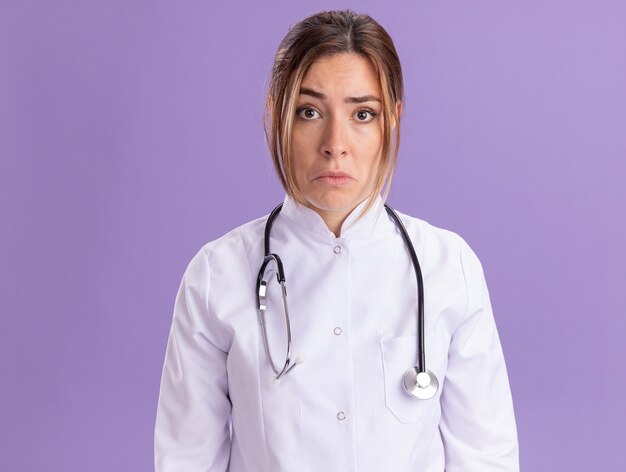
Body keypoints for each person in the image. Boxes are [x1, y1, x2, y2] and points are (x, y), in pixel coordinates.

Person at [154, 9, 519, 471]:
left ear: (392, 122)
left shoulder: (449, 268)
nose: (335, 143)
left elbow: (486, 458)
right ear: (276, 116)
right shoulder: (216, 276)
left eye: (362, 114)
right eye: (310, 112)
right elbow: (186, 460)